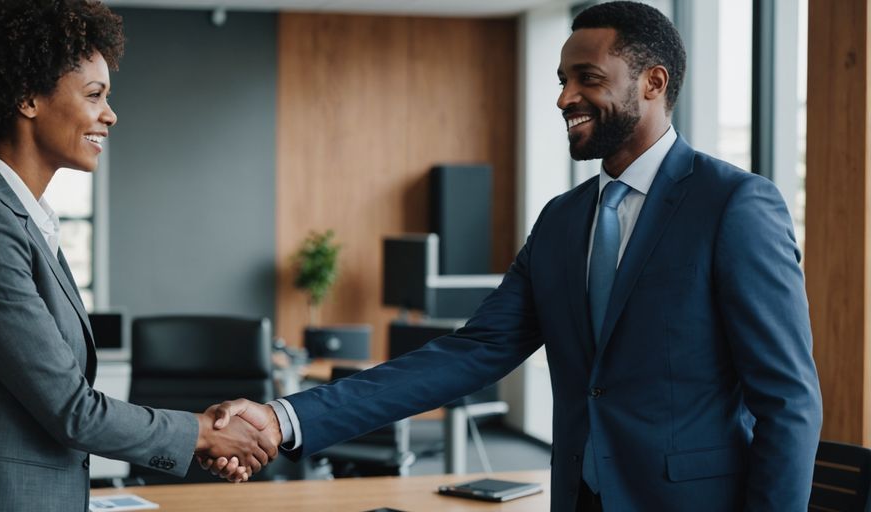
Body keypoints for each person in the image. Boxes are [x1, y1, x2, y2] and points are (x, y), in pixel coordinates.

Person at [204, 2, 822, 511]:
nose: (564, 98)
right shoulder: (562, 219)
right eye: (562, 79)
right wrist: (283, 418)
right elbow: (471, 351)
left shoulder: (735, 205)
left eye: (588, 78)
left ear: (653, 83)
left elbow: (788, 401)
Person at [0, 1, 275, 510]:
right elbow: (71, 410)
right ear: (26, 98)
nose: (110, 114)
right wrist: (201, 432)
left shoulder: (27, 221)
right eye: (94, 94)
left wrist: (198, 437)